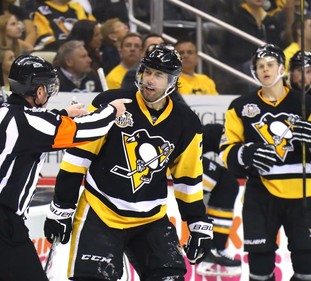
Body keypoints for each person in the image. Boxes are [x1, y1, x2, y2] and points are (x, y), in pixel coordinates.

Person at [0, 54, 129, 281]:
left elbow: (35, 124)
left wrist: (64, 114)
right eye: (48, 87)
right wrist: (112, 110)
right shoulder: (29, 123)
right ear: (38, 91)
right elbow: (85, 131)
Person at [43, 44, 213, 280]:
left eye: (159, 75)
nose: (149, 80)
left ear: (173, 81)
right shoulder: (111, 103)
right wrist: (62, 208)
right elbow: (77, 159)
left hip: (151, 219)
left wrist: (197, 223)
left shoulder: (187, 123)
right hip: (100, 212)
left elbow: (188, 179)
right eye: (147, 71)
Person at [220, 43, 311, 281]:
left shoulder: (306, 103)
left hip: (304, 193)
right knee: (260, 270)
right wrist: (243, 154)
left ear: (282, 68)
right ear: (254, 72)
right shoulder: (239, 107)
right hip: (261, 193)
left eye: (270, 64)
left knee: (307, 266)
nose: (265, 70)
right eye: (260, 66)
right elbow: (225, 150)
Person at [197, 123, 242, 277]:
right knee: (227, 182)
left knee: (226, 182)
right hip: (166, 159)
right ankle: (214, 248)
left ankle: (212, 250)